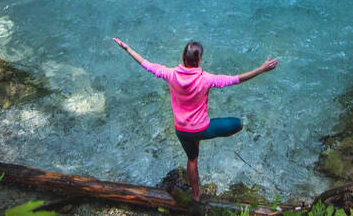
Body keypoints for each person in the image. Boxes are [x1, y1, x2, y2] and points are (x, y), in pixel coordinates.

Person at [112, 37, 278, 201]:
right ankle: (203, 139)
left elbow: (146, 64)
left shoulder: (170, 75)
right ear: (199, 60)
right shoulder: (206, 79)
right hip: (201, 128)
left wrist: (128, 49)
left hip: (181, 130)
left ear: (184, 58)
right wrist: (261, 69)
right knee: (238, 123)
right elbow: (236, 79)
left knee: (192, 159)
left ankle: (196, 195)